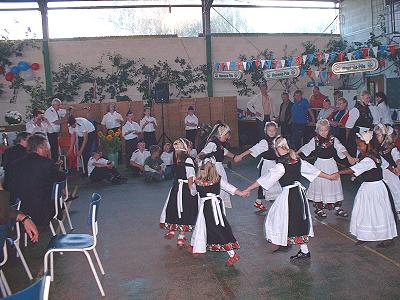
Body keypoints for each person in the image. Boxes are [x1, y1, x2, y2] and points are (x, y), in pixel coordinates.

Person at [243, 136, 337, 260]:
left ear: (276, 150)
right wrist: (329, 176)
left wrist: (248, 189)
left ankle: (288, 242)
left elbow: (263, 180)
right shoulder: (298, 161)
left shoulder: (281, 166)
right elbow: (314, 171)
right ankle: (298, 247)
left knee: (279, 217)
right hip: (298, 194)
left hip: (290, 195)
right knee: (296, 220)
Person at [336, 131, 398, 248]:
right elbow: (383, 164)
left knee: (379, 212)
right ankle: (365, 235)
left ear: (369, 145)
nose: (359, 148)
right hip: (367, 187)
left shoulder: (370, 159)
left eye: (360, 145)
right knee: (365, 211)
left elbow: (355, 169)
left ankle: (386, 237)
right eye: (358, 146)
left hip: (376, 188)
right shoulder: (371, 155)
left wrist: (337, 173)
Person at [187, 160, 248, 266]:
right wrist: (241, 193)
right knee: (209, 226)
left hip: (207, 208)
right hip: (216, 206)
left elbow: (192, 192)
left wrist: (191, 183)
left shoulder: (198, 182)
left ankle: (232, 254)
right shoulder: (218, 180)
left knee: (216, 229)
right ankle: (194, 245)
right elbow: (230, 188)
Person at [297, 119, 357, 218]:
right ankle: (319, 208)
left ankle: (337, 208)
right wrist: (296, 153)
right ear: (317, 130)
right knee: (320, 185)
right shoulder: (315, 140)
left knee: (333, 184)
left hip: (331, 165)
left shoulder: (333, 139)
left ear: (329, 129)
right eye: (321, 130)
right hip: (319, 165)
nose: (324, 132)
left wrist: (349, 157)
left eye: (326, 130)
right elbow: (306, 147)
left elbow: (341, 148)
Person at [6, 134, 66, 227]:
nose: (47, 149)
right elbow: (61, 178)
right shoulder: (47, 163)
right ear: (41, 147)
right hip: (43, 212)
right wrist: (57, 167)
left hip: (20, 210)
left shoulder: (15, 164)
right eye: (46, 146)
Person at [235, 121, 281, 213]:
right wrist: (240, 156)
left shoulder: (278, 140)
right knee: (264, 183)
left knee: (272, 183)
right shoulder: (264, 142)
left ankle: (261, 201)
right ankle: (268, 202)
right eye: (269, 130)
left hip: (275, 164)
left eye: (273, 130)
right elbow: (252, 150)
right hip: (267, 165)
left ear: (276, 131)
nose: (271, 132)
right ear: (266, 131)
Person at [160, 139, 198, 248]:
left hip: (176, 188)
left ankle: (172, 230)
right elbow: (190, 176)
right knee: (185, 210)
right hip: (185, 188)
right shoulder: (188, 160)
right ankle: (181, 237)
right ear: (186, 149)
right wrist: (192, 189)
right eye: (190, 147)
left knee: (174, 208)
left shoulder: (176, 158)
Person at [198, 122, 236, 208]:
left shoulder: (218, 143)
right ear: (221, 134)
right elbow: (203, 153)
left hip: (219, 167)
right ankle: (217, 206)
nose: (227, 138)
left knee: (222, 187)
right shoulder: (213, 143)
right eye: (226, 135)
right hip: (216, 168)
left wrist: (234, 157)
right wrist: (203, 158)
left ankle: (219, 206)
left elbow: (224, 151)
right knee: (220, 187)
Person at [372, 124, 400, 213]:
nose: (377, 137)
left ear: (384, 135)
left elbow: (397, 157)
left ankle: (398, 209)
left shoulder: (391, 147)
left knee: (396, 190)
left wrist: (398, 166)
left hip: (390, 173)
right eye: (376, 135)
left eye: (379, 135)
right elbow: (381, 161)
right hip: (380, 172)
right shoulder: (374, 146)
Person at [345, 91, 379, 157]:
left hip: (367, 134)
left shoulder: (369, 108)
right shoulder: (355, 110)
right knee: (358, 152)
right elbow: (348, 126)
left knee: (368, 152)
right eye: (366, 98)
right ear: (361, 98)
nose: (368, 100)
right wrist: (347, 139)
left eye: (369, 98)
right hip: (358, 134)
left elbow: (374, 121)